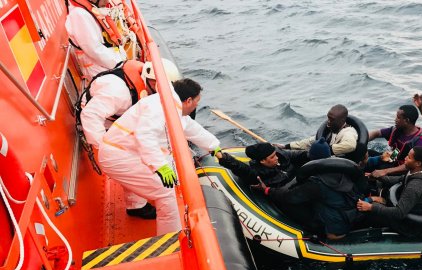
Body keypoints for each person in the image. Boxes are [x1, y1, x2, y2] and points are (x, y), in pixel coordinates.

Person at [99, 78, 222, 234]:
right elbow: (145, 136)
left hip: (123, 150)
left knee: (143, 171)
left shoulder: (169, 103)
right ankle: (170, 237)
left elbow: (190, 127)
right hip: (119, 156)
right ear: (188, 100)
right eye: (197, 102)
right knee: (166, 191)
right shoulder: (160, 109)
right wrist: (160, 166)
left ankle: (135, 207)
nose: (197, 105)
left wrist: (213, 146)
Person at [253, 138, 363, 240]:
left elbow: (289, 196)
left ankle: (324, 234)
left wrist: (267, 190)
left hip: (338, 225)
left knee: (289, 205)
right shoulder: (342, 167)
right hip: (350, 211)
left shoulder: (316, 183)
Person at [80, 58, 182, 148]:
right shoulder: (118, 92)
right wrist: (103, 148)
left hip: (117, 116)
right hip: (104, 123)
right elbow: (90, 115)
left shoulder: (141, 81)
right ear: (153, 82)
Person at [357, 147, 422, 237]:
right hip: (406, 210)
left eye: (409, 157)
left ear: (418, 163)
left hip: (409, 226)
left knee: (366, 214)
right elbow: (400, 179)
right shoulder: (418, 172)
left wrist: (371, 207)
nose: (405, 158)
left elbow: (399, 213)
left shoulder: (415, 186)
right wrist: (378, 177)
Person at [66, 0, 129, 79]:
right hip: (97, 69)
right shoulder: (79, 15)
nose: (107, 3)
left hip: (106, 61)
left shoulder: (88, 10)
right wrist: (123, 64)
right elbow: (95, 51)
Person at [365, 104, 422, 177]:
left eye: (398, 118)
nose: (395, 120)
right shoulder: (397, 130)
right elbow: (376, 133)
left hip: (404, 170)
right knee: (369, 153)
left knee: (378, 168)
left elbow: (413, 166)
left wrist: (385, 171)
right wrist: (362, 140)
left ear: (407, 121)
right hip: (393, 159)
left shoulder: (421, 141)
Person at [274, 104, 358, 158]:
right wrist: (286, 146)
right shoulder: (331, 130)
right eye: (328, 118)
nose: (328, 121)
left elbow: (350, 145)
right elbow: (310, 142)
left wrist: (325, 150)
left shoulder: (348, 132)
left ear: (342, 120)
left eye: (332, 119)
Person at [215, 142, 308, 188]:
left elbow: (299, 155)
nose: (277, 158)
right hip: (286, 192)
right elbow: (239, 167)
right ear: (262, 161)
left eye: (275, 154)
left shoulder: (281, 155)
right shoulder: (258, 174)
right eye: (272, 157)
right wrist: (222, 157)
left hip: (299, 181)